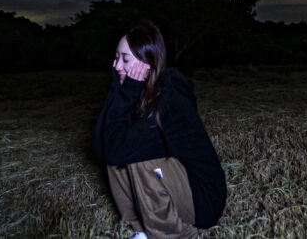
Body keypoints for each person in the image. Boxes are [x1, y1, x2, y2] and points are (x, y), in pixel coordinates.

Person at [92, 20, 227, 239]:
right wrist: (118, 90)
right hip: (178, 186)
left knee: (137, 156)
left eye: (125, 59)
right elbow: (103, 148)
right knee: (117, 153)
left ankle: (174, 234)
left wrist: (126, 93)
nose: (116, 65)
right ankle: (141, 230)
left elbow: (119, 148)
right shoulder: (139, 91)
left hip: (202, 199)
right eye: (116, 57)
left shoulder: (170, 99)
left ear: (147, 63)